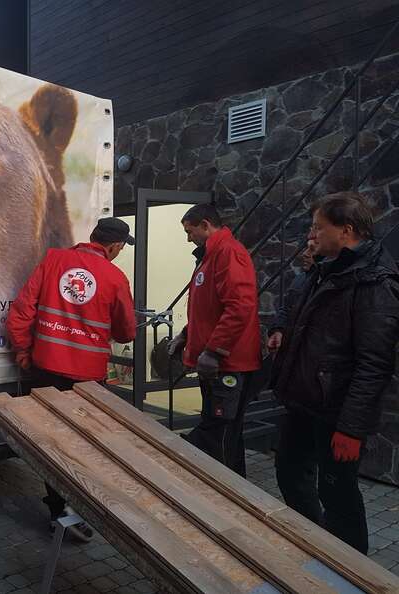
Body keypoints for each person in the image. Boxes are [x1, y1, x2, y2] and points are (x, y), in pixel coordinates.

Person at [270, 192, 399, 554]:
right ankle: (319, 546)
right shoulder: (322, 270)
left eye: (318, 227)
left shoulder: (375, 283)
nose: (311, 234)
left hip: (337, 413)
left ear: (346, 231)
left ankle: (352, 572)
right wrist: (279, 329)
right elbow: (293, 309)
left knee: (338, 494)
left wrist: (351, 429)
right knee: (291, 475)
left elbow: (374, 363)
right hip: (303, 400)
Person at [7, 217, 137, 541]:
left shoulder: (54, 260)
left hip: (45, 371)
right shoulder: (115, 277)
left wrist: (23, 352)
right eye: (121, 247)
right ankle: (81, 509)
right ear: (114, 246)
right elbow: (126, 331)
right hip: (88, 382)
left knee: (51, 443)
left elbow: (20, 313)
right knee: (83, 445)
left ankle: (59, 512)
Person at [167, 204, 261, 477]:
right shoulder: (211, 257)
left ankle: (221, 490)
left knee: (219, 431)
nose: (188, 239)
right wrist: (186, 335)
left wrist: (214, 351)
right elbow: (209, 310)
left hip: (227, 365)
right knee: (225, 432)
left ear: (206, 225)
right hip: (217, 363)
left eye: (190, 231)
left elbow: (239, 306)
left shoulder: (228, 253)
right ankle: (235, 490)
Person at [267, 240, 317, 347]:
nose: (305, 254)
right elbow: (286, 308)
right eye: (307, 248)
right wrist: (278, 330)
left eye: (312, 250)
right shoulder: (300, 279)